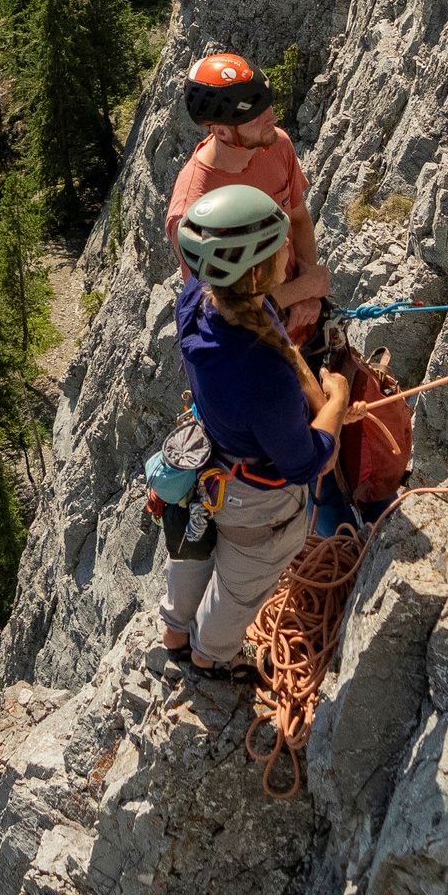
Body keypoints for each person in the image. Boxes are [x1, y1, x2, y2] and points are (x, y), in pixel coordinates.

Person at [166, 182, 349, 681]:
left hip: (208, 464)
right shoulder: (261, 372)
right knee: (242, 583)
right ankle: (210, 654)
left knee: (197, 548)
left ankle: (176, 631)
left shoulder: (195, 301)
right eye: (278, 247)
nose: (287, 250)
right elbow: (310, 461)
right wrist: (336, 401)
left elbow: (263, 319)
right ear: (255, 270)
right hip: (256, 499)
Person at [165, 51, 329, 343]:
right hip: (256, 343)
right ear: (223, 133)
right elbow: (226, 309)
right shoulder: (193, 210)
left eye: (268, 105)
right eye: (256, 114)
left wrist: (309, 294)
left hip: (305, 321)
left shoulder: (277, 146)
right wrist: (305, 289)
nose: (273, 117)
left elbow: (299, 220)